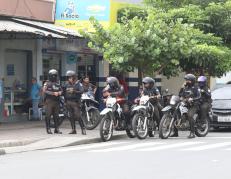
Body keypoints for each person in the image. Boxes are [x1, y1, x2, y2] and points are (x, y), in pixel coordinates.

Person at [172, 74, 200, 138]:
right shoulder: (185, 87)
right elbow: (180, 95)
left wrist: (192, 99)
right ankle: (175, 132)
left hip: (194, 105)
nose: (186, 81)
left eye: (188, 80)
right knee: (175, 112)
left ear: (192, 81)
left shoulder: (196, 87)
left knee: (189, 115)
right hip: (185, 104)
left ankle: (192, 133)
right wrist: (182, 88)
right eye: (186, 80)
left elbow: (199, 96)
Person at [63, 70, 86, 135]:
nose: (69, 79)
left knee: (78, 116)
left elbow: (82, 91)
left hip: (75, 102)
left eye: (70, 77)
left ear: (74, 77)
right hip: (68, 102)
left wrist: (74, 91)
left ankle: (83, 129)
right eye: (68, 77)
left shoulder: (78, 84)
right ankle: (73, 129)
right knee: (71, 116)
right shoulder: (66, 84)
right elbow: (64, 93)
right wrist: (65, 101)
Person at [43, 69, 62, 134]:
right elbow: (44, 91)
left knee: (56, 116)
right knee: (48, 115)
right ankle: (48, 129)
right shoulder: (47, 83)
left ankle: (57, 129)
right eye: (53, 75)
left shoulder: (57, 83)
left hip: (57, 101)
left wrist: (60, 92)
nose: (54, 77)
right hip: (49, 101)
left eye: (55, 75)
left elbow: (61, 90)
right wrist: (53, 93)